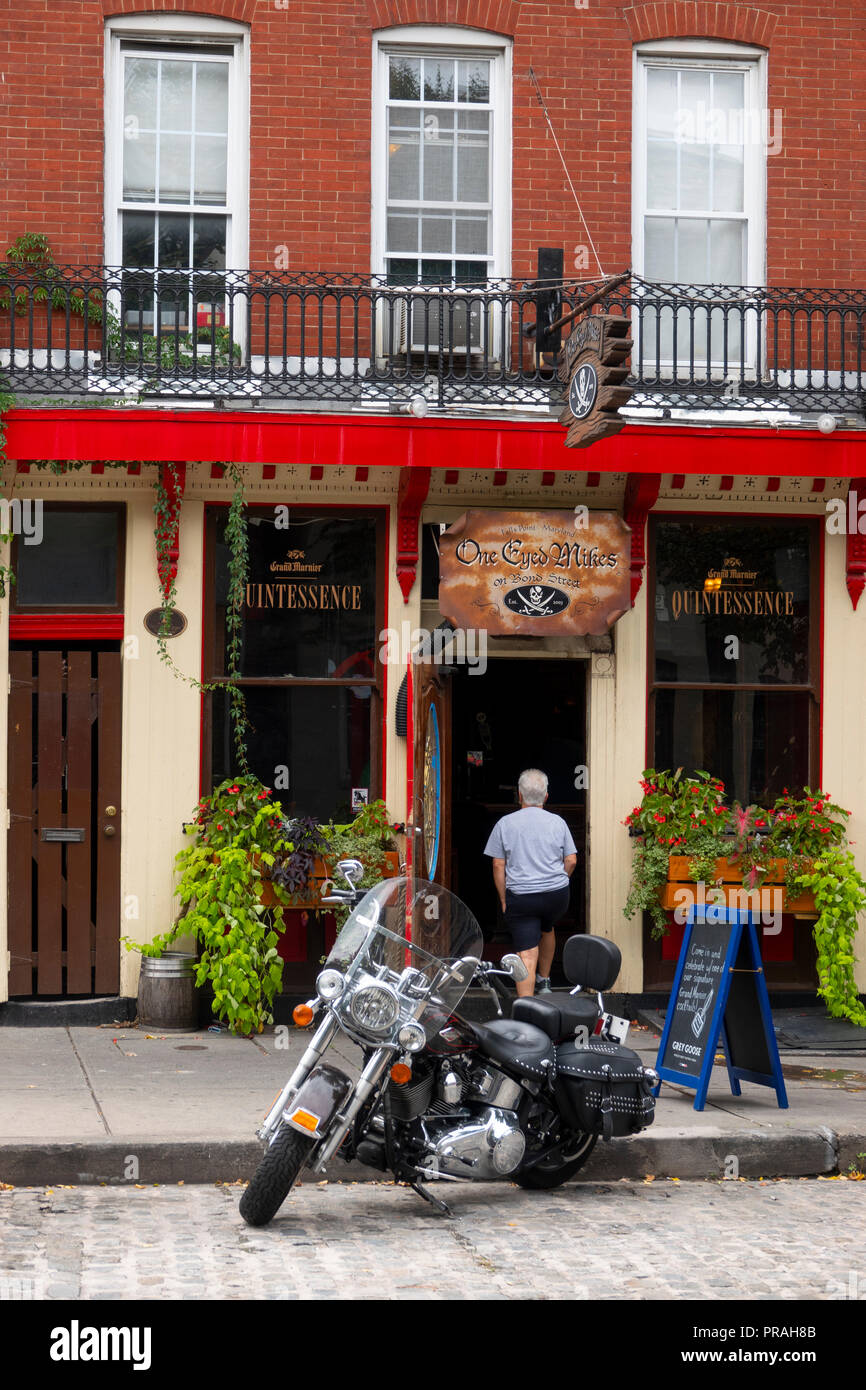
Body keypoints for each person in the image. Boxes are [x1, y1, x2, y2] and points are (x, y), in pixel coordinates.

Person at [484, 768, 577, 998]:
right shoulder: (558, 822)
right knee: (547, 927)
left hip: (522, 897)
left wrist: (504, 899)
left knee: (527, 950)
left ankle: (527, 1007)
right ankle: (544, 982)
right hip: (556, 896)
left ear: (519, 795)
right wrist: (560, 881)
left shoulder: (505, 824)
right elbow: (572, 860)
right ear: (546, 797)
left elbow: (498, 865)